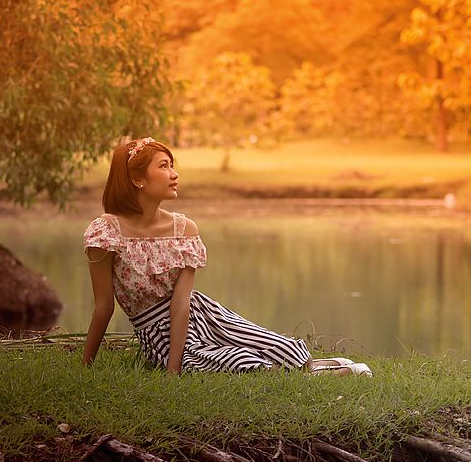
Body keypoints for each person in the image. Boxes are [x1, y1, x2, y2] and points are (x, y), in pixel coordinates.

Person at [81, 137, 372, 377]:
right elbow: (104, 307)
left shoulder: (184, 229)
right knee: (239, 365)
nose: (174, 174)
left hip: (204, 315)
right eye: (164, 166)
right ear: (137, 179)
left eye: (173, 165)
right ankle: (329, 375)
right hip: (156, 332)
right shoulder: (106, 233)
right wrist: (86, 368)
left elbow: (181, 304)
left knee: (281, 350)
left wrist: (171, 372)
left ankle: (326, 368)